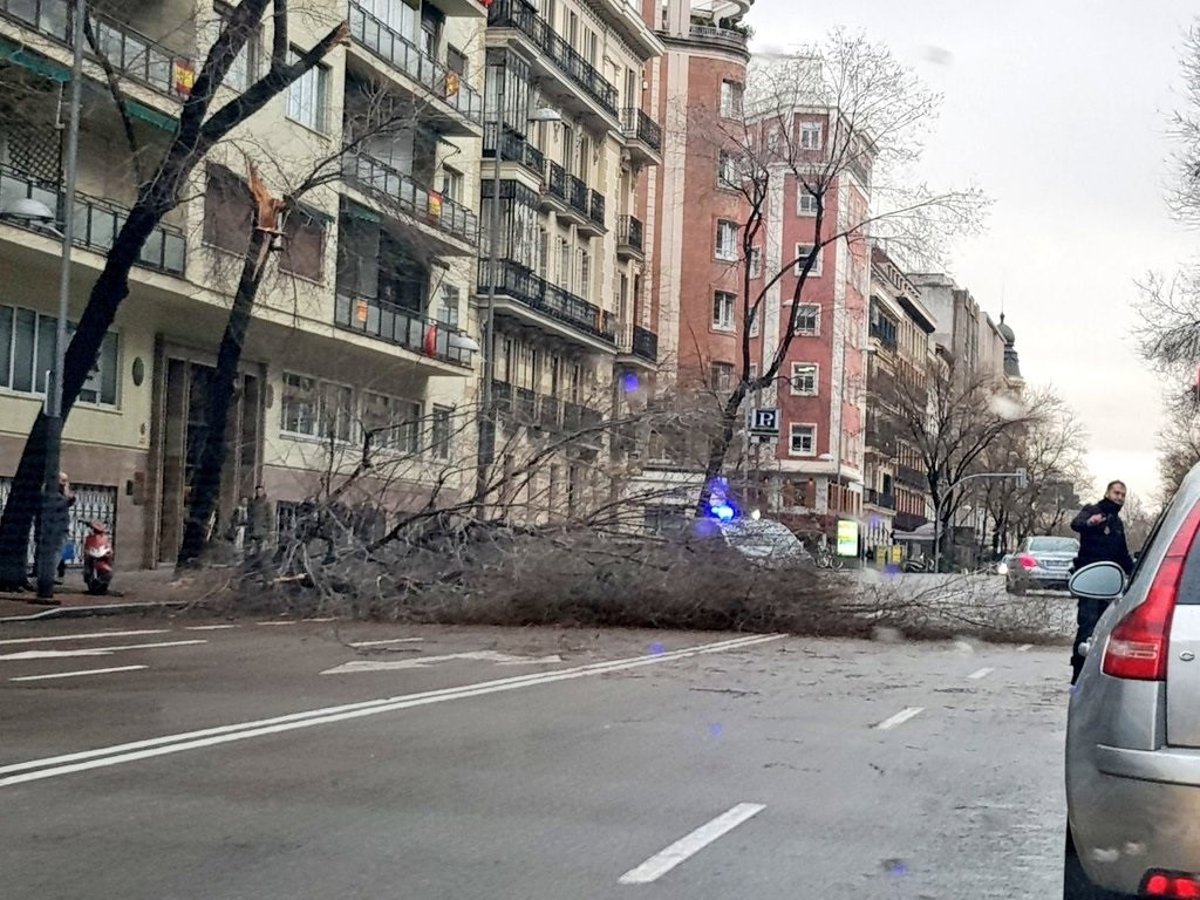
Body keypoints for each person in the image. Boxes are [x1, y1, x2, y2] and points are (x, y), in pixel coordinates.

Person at [1069, 480, 1135, 683]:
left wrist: (1136, 573)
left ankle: (1097, 676)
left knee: (1105, 629)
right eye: (1116, 493)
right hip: (1089, 582)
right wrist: (1091, 522)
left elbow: (1122, 553)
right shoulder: (1092, 510)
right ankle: (1078, 675)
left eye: (1123, 495)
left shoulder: (1117, 522)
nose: (1119, 497)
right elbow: (1076, 523)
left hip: (1109, 585)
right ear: (1107, 493)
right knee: (1087, 628)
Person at [246, 484, 272, 557]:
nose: (259, 493)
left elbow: (270, 517)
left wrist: (270, 529)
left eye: (260, 491)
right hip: (253, 530)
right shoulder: (253, 503)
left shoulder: (266, 503)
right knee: (252, 550)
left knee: (262, 550)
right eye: (257, 491)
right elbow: (250, 516)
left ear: (263, 492)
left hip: (263, 530)